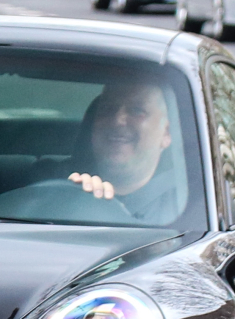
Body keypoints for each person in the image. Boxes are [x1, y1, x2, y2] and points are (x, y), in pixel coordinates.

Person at [62, 78, 184, 220]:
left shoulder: (188, 201)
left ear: (166, 133)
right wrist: (66, 198)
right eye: (107, 109)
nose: (117, 120)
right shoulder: (47, 177)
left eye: (137, 111)